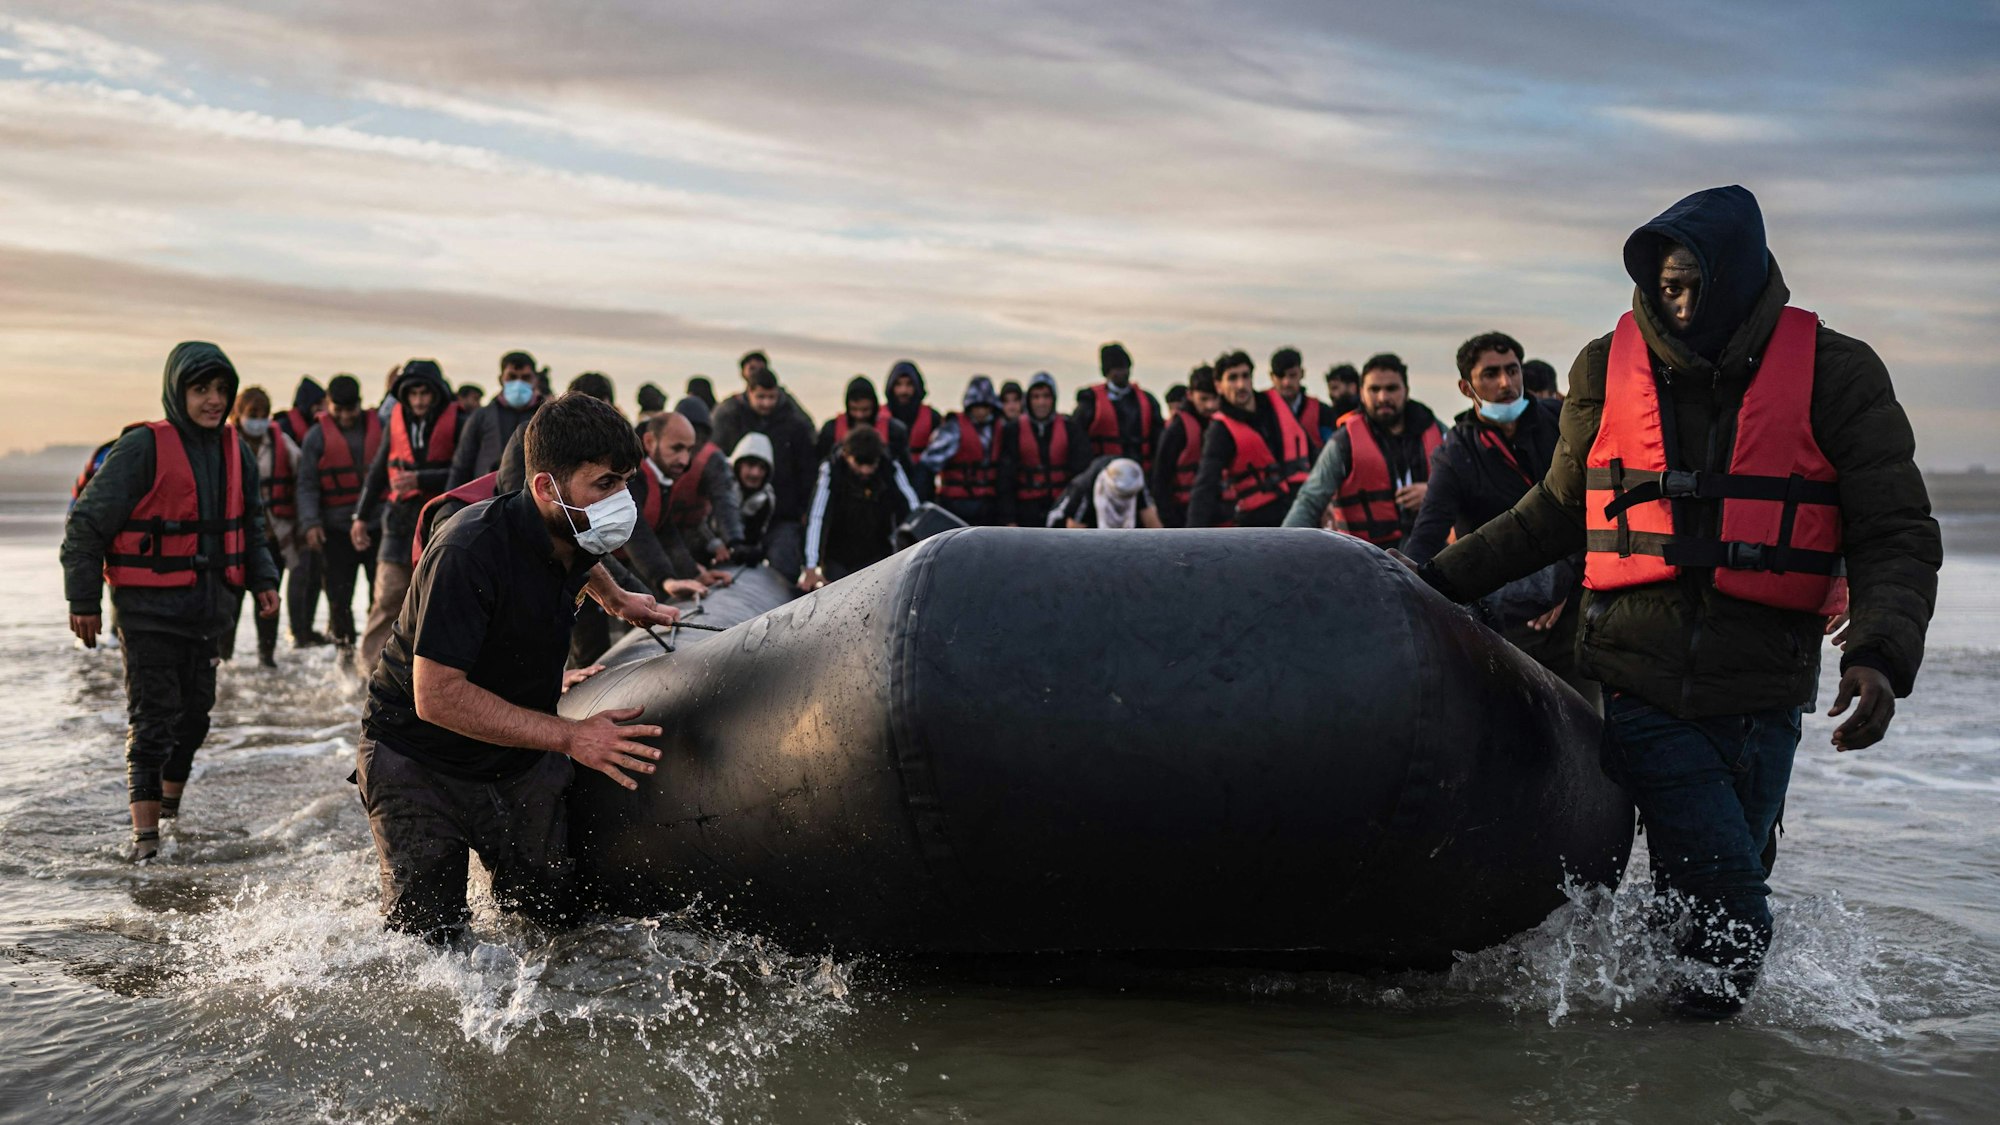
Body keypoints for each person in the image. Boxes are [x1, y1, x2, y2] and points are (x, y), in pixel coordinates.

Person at [1405, 185, 1940, 1017]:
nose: (1675, 302)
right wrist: (1427, 582)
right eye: (1664, 285)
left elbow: (1895, 528)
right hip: (1641, 680)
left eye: (1690, 283)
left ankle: (1643, 1042)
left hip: (1766, 686)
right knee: (1735, 916)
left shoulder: (1839, 372)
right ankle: (1688, 1077)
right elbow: (1553, 512)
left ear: (1740, 274)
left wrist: (1880, 652)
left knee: (1710, 889)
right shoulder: (1601, 366)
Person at [354, 391, 680, 943]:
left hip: (515, 757)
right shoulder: (468, 550)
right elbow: (435, 696)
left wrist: (617, 598)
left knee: (558, 928)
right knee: (433, 949)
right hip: (419, 760)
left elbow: (581, 558)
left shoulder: (576, 529)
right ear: (544, 487)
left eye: (625, 481)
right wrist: (573, 736)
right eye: (604, 484)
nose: (619, 499)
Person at [62, 342, 281, 861]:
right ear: (177, 391)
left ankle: (169, 814)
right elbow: (86, 525)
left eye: (221, 390)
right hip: (148, 613)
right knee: (154, 717)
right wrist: (83, 598)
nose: (213, 400)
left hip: (210, 611)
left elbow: (251, 525)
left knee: (197, 717)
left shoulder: (236, 451)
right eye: (200, 390)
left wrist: (264, 578)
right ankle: (145, 843)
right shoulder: (142, 448)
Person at [1405, 332, 1590, 702]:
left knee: (1586, 716)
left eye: (1512, 370)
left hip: (1578, 601)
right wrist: (1403, 582)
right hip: (1505, 617)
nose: (1506, 383)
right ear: (1465, 386)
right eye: (1491, 374)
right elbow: (1430, 529)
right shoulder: (1455, 454)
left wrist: (1563, 581)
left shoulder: (1562, 423)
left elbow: (1592, 505)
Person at [352, 360, 459, 676]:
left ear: (436, 393)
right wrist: (360, 516)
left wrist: (422, 480)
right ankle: (366, 674)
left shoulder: (461, 422)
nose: (419, 400)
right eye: (413, 394)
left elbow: (462, 471)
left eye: (425, 393)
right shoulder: (395, 421)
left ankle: (423, 678)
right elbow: (376, 473)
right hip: (397, 523)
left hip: (438, 523)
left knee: (432, 603)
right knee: (386, 598)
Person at [1282, 354, 1444, 547]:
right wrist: (1283, 548)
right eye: (1374, 389)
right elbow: (1310, 500)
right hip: (1367, 557)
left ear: (1406, 391)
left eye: (1391, 388)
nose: (1383, 397)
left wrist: (1434, 492)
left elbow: (1467, 484)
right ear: (1361, 392)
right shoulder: (1344, 441)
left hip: (1430, 552)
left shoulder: (1438, 432)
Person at [297, 374, 381, 659]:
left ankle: (377, 657)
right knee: (338, 598)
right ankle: (345, 657)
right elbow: (307, 483)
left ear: (359, 404)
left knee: (380, 597)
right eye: (339, 410)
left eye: (350, 409)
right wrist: (311, 523)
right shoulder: (316, 436)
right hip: (334, 531)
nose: (345, 416)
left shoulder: (379, 427)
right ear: (328, 405)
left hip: (376, 526)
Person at [230, 386, 310, 666]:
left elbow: (303, 478)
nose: (259, 420)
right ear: (237, 414)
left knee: (268, 599)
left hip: (274, 536)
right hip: (233, 538)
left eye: (264, 414)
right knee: (230, 601)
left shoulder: (281, 442)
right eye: (252, 414)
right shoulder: (223, 442)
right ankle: (224, 658)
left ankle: (267, 658)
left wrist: (306, 524)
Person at [709, 368, 816, 579]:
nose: (766, 403)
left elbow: (807, 471)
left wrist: (804, 508)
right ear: (749, 393)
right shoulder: (731, 419)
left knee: (784, 565)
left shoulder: (794, 426)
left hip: (783, 514)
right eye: (761, 397)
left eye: (771, 397)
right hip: (735, 510)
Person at [1187, 351, 1311, 528]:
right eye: (1232, 378)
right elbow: (1204, 488)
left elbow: (1312, 454)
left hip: (1301, 512)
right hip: (1260, 524)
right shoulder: (1220, 431)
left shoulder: (1277, 405)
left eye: (1245, 376)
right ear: (1218, 385)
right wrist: (1191, 541)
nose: (1241, 385)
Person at [623, 410, 742, 594]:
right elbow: (637, 532)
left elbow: (665, 530)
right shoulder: (631, 479)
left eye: (689, 450)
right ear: (649, 442)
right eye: (676, 449)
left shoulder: (662, 479)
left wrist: (694, 573)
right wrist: (665, 579)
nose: (685, 460)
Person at [799, 426, 919, 591]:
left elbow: (912, 509)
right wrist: (811, 566)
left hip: (878, 554)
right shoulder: (831, 470)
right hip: (838, 557)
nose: (865, 470)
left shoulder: (890, 468)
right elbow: (817, 517)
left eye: (871, 465)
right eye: (859, 464)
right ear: (846, 456)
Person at [999, 372, 1090, 529]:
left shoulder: (1071, 429)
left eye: (1046, 396)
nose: (1041, 402)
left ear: (1053, 399)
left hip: (1061, 509)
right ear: (1028, 400)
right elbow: (1005, 479)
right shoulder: (1013, 430)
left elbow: (1081, 475)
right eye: (1036, 397)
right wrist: (1009, 518)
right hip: (1025, 512)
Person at [447, 351, 542, 489]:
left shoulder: (548, 416)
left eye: (525, 378)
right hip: (487, 499)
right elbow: (461, 466)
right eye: (512, 377)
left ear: (535, 380)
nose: (518, 383)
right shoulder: (481, 416)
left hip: (536, 499)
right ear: (501, 379)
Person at [1151, 364, 1221, 528]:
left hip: (1221, 514)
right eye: (1203, 399)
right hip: (1184, 516)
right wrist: (1173, 525)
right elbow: (1160, 481)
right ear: (1190, 395)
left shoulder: (1224, 424)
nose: (1210, 405)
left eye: (1214, 398)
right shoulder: (1177, 430)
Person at [931, 376, 1005, 526]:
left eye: (985, 406)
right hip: (956, 506)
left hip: (989, 507)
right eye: (977, 406)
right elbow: (928, 465)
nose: (981, 411)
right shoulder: (953, 429)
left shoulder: (1000, 429)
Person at [1072, 342, 1163, 464]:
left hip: (1140, 470)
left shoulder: (1148, 400)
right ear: (1106, 372)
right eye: (1115, 369)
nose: (1122, 373)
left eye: (1124, 367)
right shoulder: (1090, 401)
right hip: (1103, 471)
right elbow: (1077, 437)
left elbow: (1158, 438)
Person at [815, 376, 911, 468]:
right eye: (854, 409)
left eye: (865, 410)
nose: (859, 415)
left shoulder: (894, 431)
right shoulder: (830, 430)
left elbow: (905, 467)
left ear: (874, 407)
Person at [884, 360, 946, 497]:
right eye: (898, 385)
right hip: (886, 487)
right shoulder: (879, 417)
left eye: (909, 384)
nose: (903, 391)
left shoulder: (933, 417)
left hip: (923, 488)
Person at [1048, 456, 1161, 529]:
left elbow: (1152, 523)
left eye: (1129, 496)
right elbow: (1074, 533)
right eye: (1122, 495)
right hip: (1071, 530)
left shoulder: (1135, 483)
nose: (1125, 499)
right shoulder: (1085, 487)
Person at [719, 433, 777, 558]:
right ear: (738, 466)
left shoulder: (766, 499)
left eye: (762, 468)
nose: (756, 473)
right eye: (750, 466)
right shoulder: (720, 486)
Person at [1270, 347, 1333, 450]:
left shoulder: (1323, 412)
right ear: (1271, 376)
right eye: (1280, 376)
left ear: (1302, 373)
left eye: (1292, 375)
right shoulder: (1259, 409)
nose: (1286, 382)